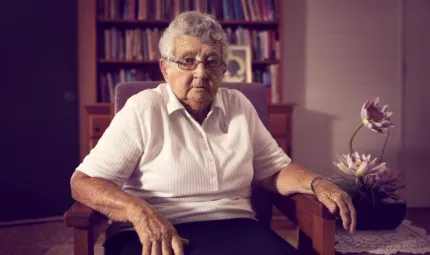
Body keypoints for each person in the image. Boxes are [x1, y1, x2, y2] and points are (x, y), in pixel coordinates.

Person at [70, 11, 356, 255]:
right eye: (187, 60)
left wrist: (318, 182)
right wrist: (138, 211)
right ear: (165, 68)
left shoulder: (238, 106)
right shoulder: (143, 108)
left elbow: (275, 171)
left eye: (211, 62)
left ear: (222, 70)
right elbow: (83, 182)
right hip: (155, 231)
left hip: (237, 227)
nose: (200, 73)